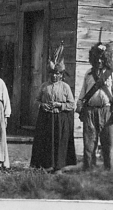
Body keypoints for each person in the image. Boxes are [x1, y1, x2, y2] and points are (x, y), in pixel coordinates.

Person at [30, 44, 77, 174]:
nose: (54, 76)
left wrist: (59, 105)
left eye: (57, 74)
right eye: (52, 73)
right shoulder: (44, 86)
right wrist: (42, 105)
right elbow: (36, 100)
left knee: (59, 142)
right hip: (46, 118)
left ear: (61, 75)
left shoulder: (65, 87)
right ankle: (47, 165)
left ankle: (59, 167)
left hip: (60, 118)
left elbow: (71, 104)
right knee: (46, 142)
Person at [76, 42, 113, 170]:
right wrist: (80, 107)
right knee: (89, 142)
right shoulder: (89, 74)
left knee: (108, 143)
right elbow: (83, 92)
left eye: (102, 58)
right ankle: (89, 169)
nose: (99, 61)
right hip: (90, 111)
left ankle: (110, 170)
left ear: (106, 59)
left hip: (107, 111)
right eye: (97, 58)